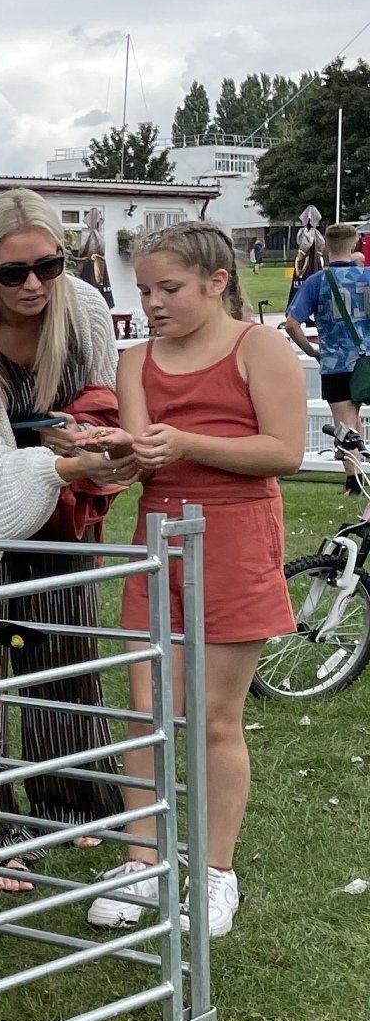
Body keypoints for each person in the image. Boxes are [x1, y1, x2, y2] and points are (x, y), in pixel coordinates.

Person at [0, 188, 137, 881]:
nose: (36, 284)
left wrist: (96, 441)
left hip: (62, 511)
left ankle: (74, 801)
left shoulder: (88, 309)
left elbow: (102, 398)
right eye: (15, 272)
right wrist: (65, 459)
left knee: (65, 650)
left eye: (50, 265)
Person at [91, 225, 303, 942]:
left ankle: (215, 873)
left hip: (237, 537)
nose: (152, 303)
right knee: (147, 707)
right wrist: (112, 457)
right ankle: (142, 863)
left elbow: (284, 450)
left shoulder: (259, 347)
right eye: (145, 290)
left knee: (214, 715)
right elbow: (144, 462)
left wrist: (185, 444)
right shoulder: (135, 361)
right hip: (158, 538)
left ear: (216, 282)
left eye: (168, 289)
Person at [284, 221, 370, 450]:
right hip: (367, 359)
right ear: (353, 246)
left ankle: (354, 480)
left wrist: (312, 351)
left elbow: (292, 325)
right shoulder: (367, 277)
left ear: (325, 247)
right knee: (354, 420)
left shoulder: (317, 282)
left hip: (335, 362)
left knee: (344, 424)